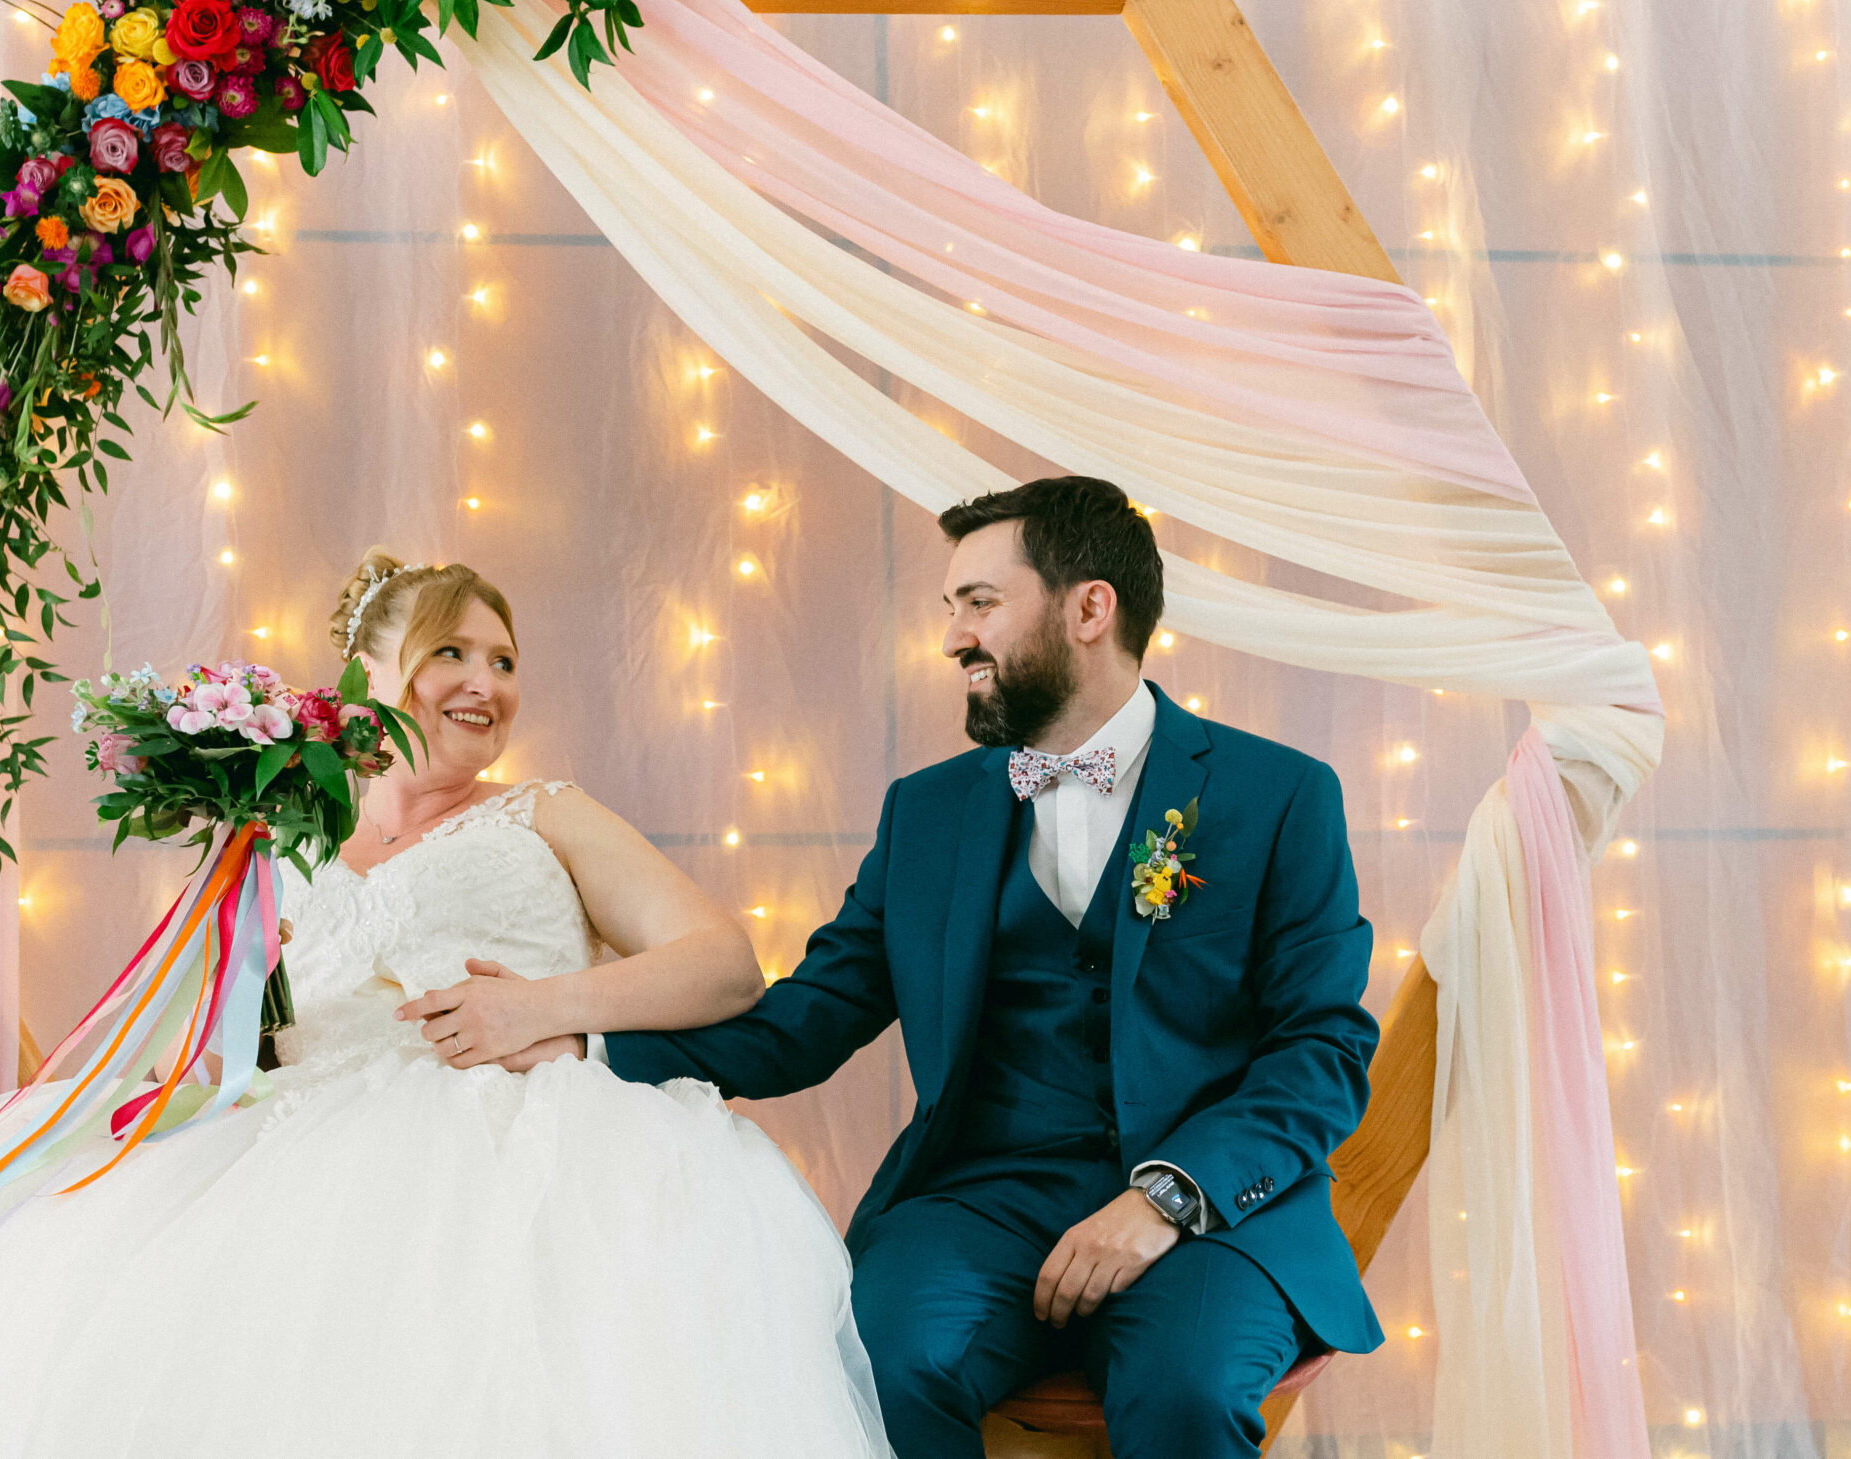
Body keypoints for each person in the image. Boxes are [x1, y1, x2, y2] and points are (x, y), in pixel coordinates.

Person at [0, 553, 890, 1459]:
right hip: (311, 1147)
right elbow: (234, 1028)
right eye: (453, 654)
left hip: (530, 1145)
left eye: (505, 661)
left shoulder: (547, 812)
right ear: (371, 676)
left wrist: (547, 1010)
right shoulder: (282, 839)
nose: (486, 683)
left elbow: (722, 965)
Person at [593, 476, 1386, 1459]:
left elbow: (1321, 1047)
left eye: (979, 603)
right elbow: (804, 1021)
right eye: (949, 608)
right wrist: (584, 1042)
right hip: (982, 1199)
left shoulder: (1279, 794)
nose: (952, 639)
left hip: (1209, 1216)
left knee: (1187, 1391)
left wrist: (1167, 1197)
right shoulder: (925, 812)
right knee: (878, 1363)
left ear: (1089, 608)